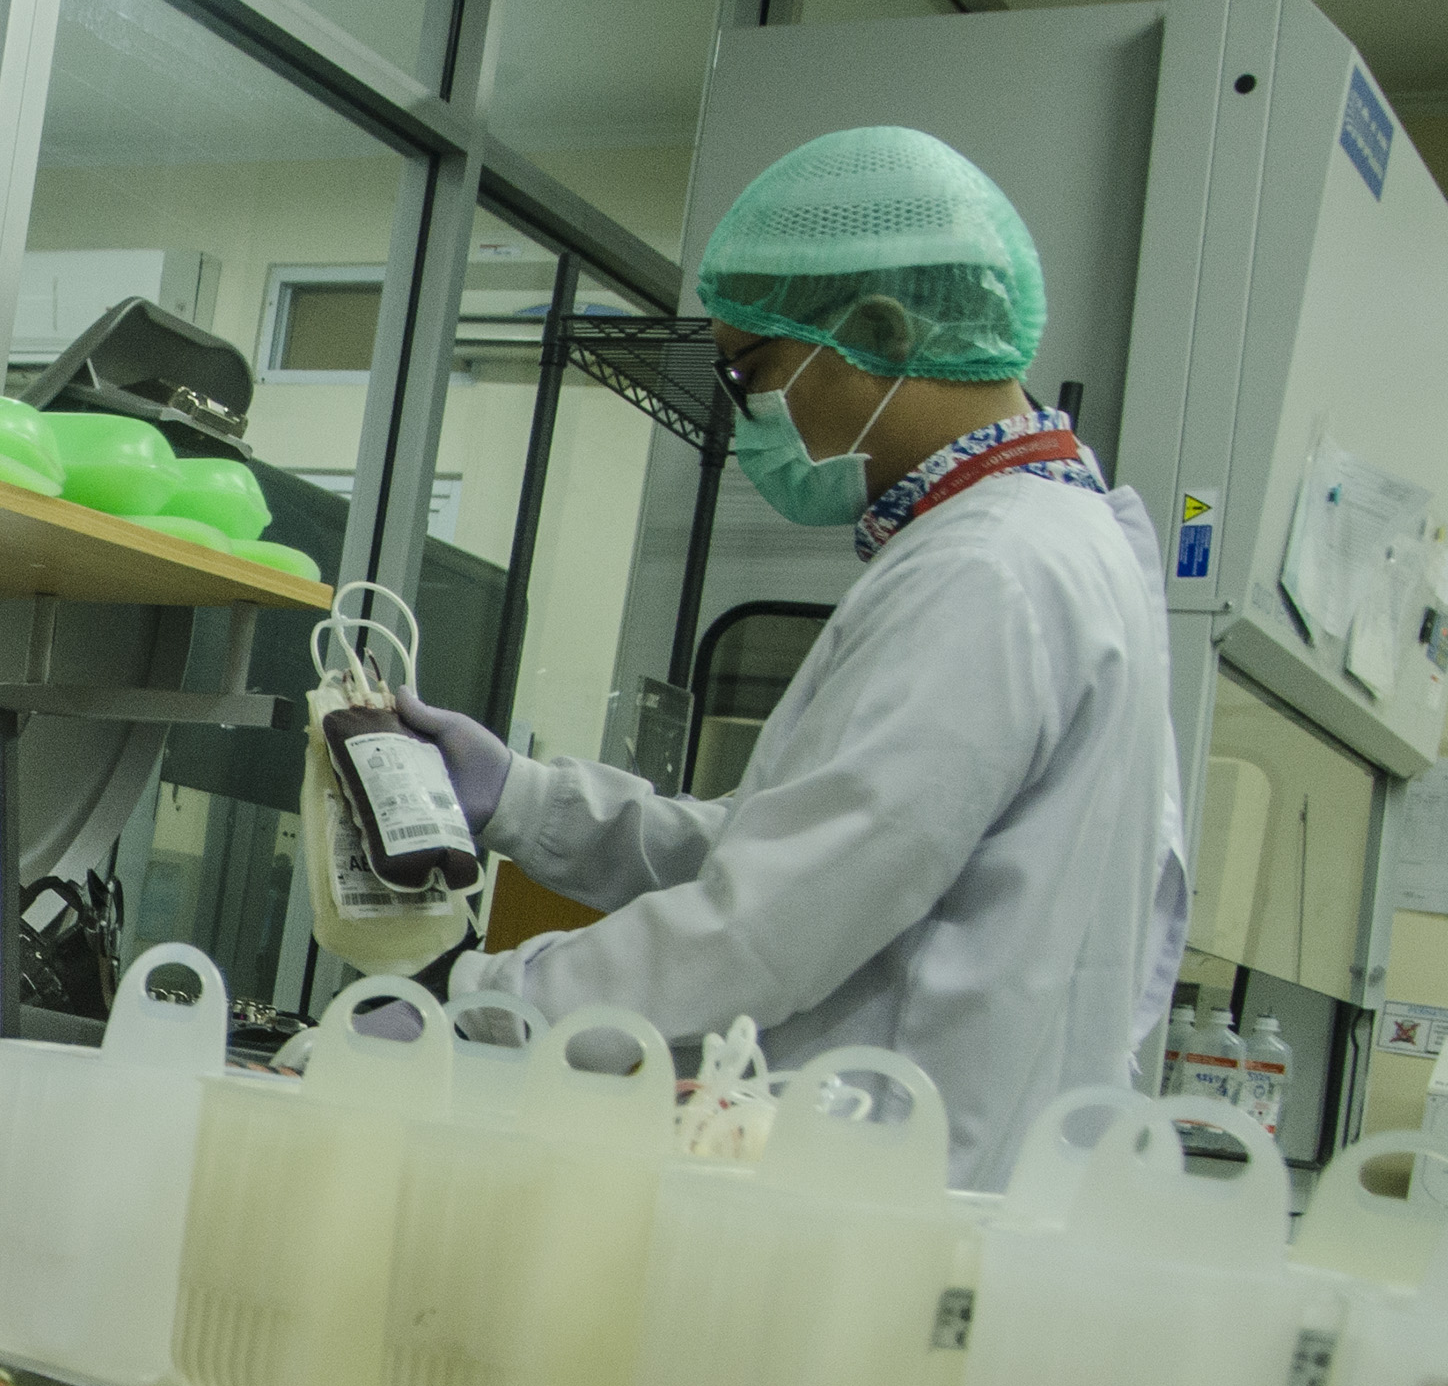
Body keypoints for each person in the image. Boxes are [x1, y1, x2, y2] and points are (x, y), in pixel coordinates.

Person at [396, 126, 1186, 1187]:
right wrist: (526, 801)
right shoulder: (1043, 543)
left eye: (752, 369)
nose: (743, 414)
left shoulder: (988, 575)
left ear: (877, 333)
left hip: (886, 1191)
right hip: (931, 1180)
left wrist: (478, 1005)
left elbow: (772, 920)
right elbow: (800, 843)